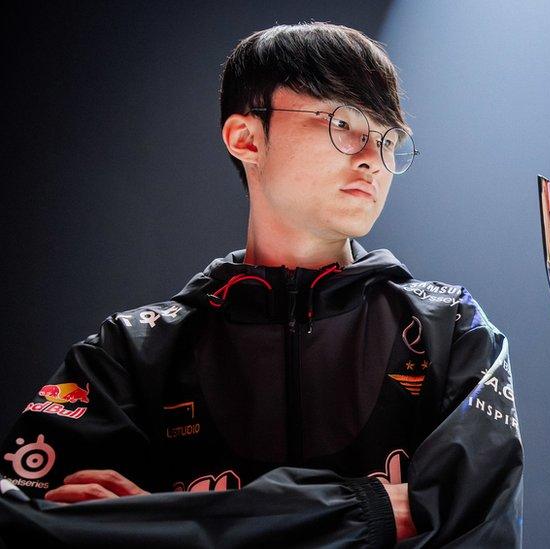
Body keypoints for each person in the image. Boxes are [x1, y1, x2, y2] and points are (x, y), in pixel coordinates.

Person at [0, 22, 523, 547]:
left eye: (390, 140)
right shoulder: (131, 352)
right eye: (344, 123)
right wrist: (372, 512)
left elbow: (477, 531)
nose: (372, 158)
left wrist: (159, 524)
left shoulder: (450, 329)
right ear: (246, 138)